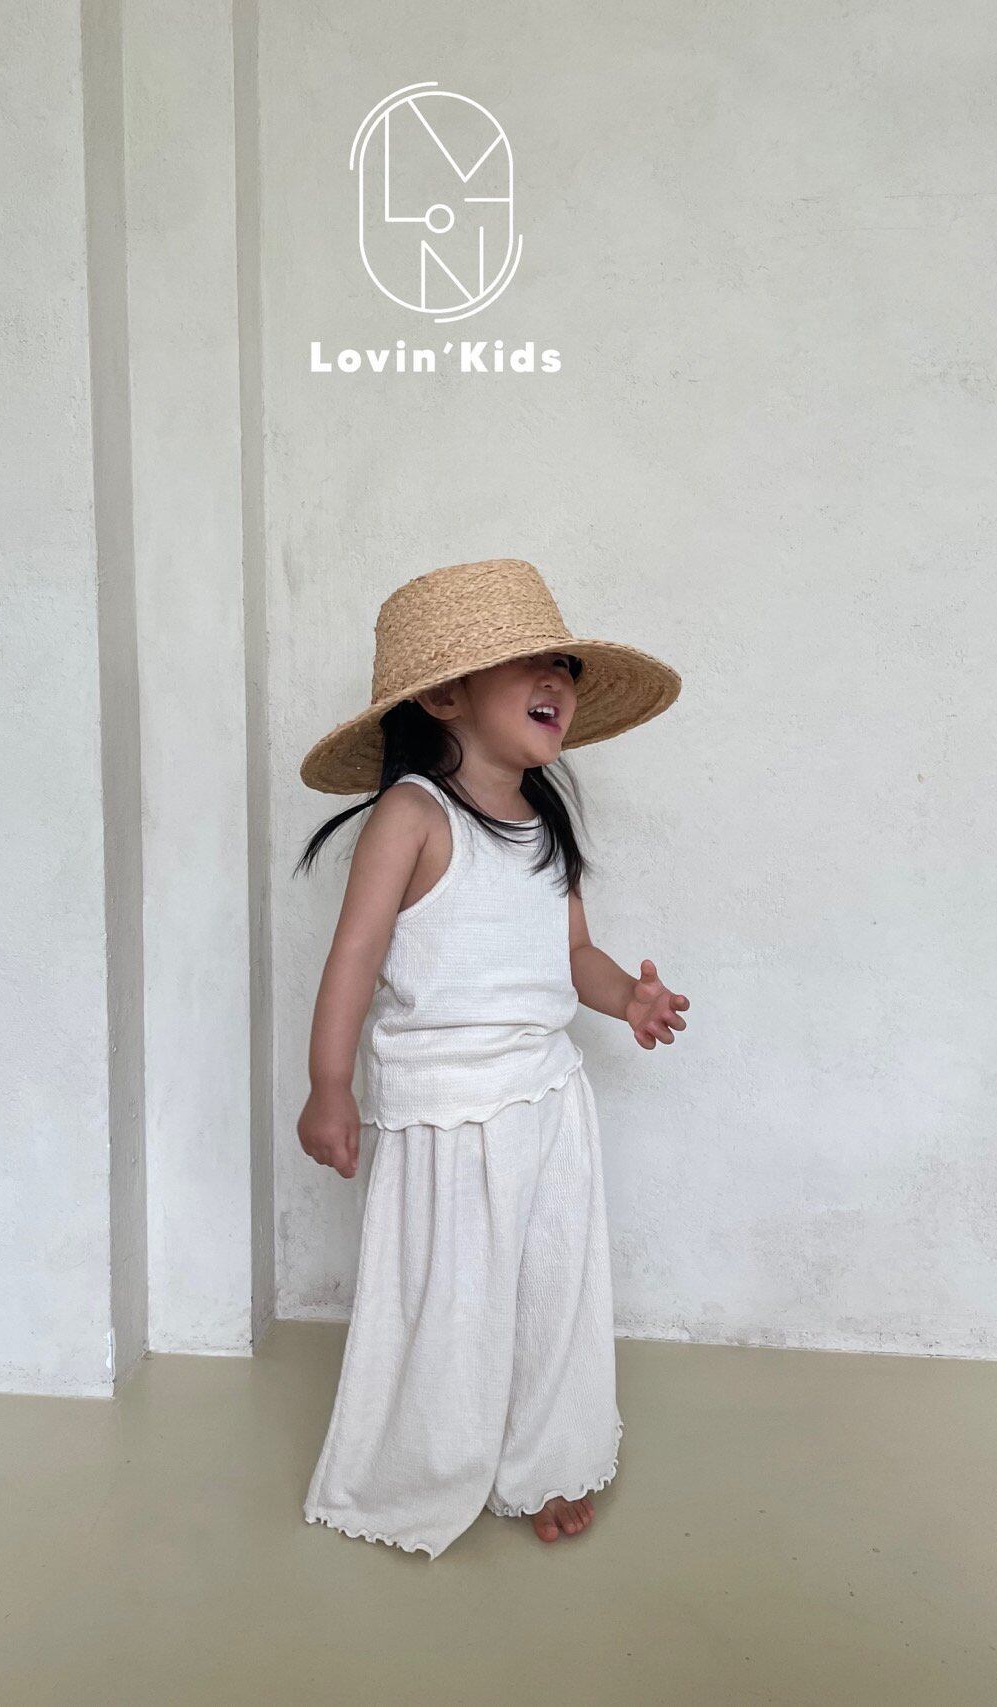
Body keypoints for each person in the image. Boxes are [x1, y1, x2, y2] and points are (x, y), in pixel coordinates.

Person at [293, 557, 689, 1561]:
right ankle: (423, 1465)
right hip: (444, 1115)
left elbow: (571, 952)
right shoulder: (414, 815)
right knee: (453, 1304)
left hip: (547, 1100)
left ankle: (545, 1460)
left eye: (564, 664)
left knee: (551, 1294)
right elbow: (353, 956)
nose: (556, 679)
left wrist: (626, 997)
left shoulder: (544, 824)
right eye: (525, 663)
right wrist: (330, 1084)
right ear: (444, 696)